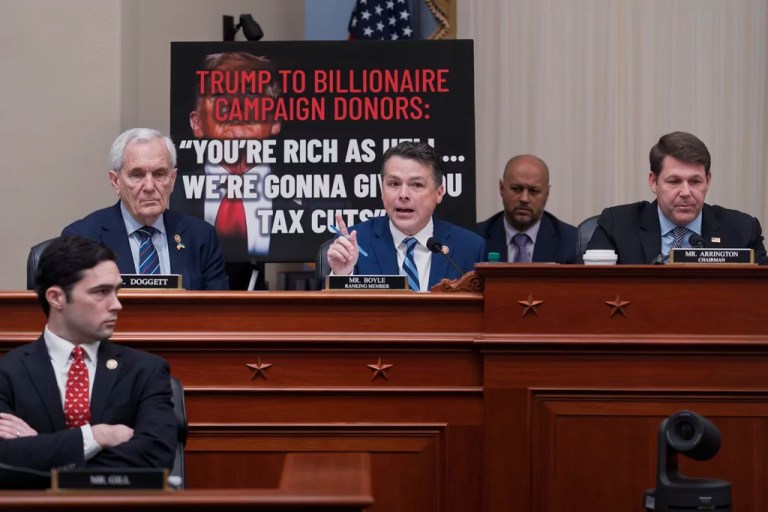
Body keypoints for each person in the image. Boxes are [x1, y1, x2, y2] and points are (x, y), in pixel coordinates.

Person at [0, 236, 177, 489]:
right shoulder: (7, 372)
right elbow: (4, 463)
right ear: (56, 297)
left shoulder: (146, 371)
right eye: (101, 292)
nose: (117, 305)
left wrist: (42, 452)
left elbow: (155, 458)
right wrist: (96, 436)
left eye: (116, 291)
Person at [183, 51, 341, 289]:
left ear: (275, 120)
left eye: (250, 94)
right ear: (197, 123)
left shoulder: (317, 201)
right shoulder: (169, 197)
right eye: (220, 95)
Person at [62, 128, 229, 290]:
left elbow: (219, 307)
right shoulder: (83, 237)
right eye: (137, 175)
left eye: (159, 174)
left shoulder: (201, 237)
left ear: (172, 179)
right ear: (115, 181)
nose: (149, 186)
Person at [587, 131, 768, 264]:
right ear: (653, 182)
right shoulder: (617, 225)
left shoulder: (743, 231)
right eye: (674, 181)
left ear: (708, 181)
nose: (686, 192)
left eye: (695, 182)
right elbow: (591, 291)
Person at [327, 142, 485, 290]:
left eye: (416, 184)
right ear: (382, 191)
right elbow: (333, 309)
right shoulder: (355, 243)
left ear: (439, 193)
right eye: (394, 184)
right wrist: (342, 276)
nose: (403, 194)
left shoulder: (470, 248)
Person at [476, 154, 577, 263]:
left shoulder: (572, 242)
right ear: (501, 188)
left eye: (534, 191)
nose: (524, 199)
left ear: (547, 193)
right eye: (516, 189)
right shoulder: (475, 238)